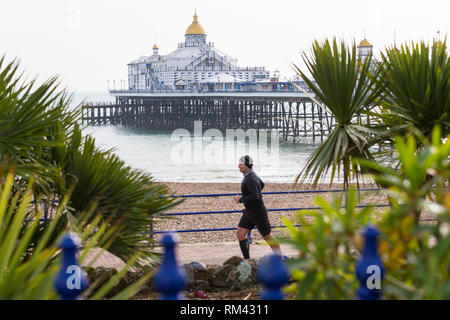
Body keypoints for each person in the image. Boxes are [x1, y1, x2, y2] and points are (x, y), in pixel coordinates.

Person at [233, 155, 282, 259]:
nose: (238, 166)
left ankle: (280, 259)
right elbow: (262, 185)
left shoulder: (250, 178)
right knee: (240, 234)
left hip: (258, 213)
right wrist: (251, 194)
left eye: (240, 164)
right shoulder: (250, 175)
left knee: (268, 236)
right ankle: (247, 260)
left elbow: (256, 197)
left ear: (247, 165)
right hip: (249, 212)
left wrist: (241, 199)